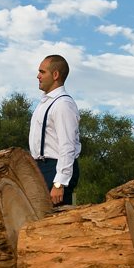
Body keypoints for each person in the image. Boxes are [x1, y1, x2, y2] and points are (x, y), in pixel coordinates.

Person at [29, 54, 81, 206]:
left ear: (56, 75)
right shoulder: (45, 103)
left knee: (54, 223)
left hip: (55, 169)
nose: (38, 76)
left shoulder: (63, 104)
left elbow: (67, 146)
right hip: (41, 169)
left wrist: (59, 183)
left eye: (42, 72)